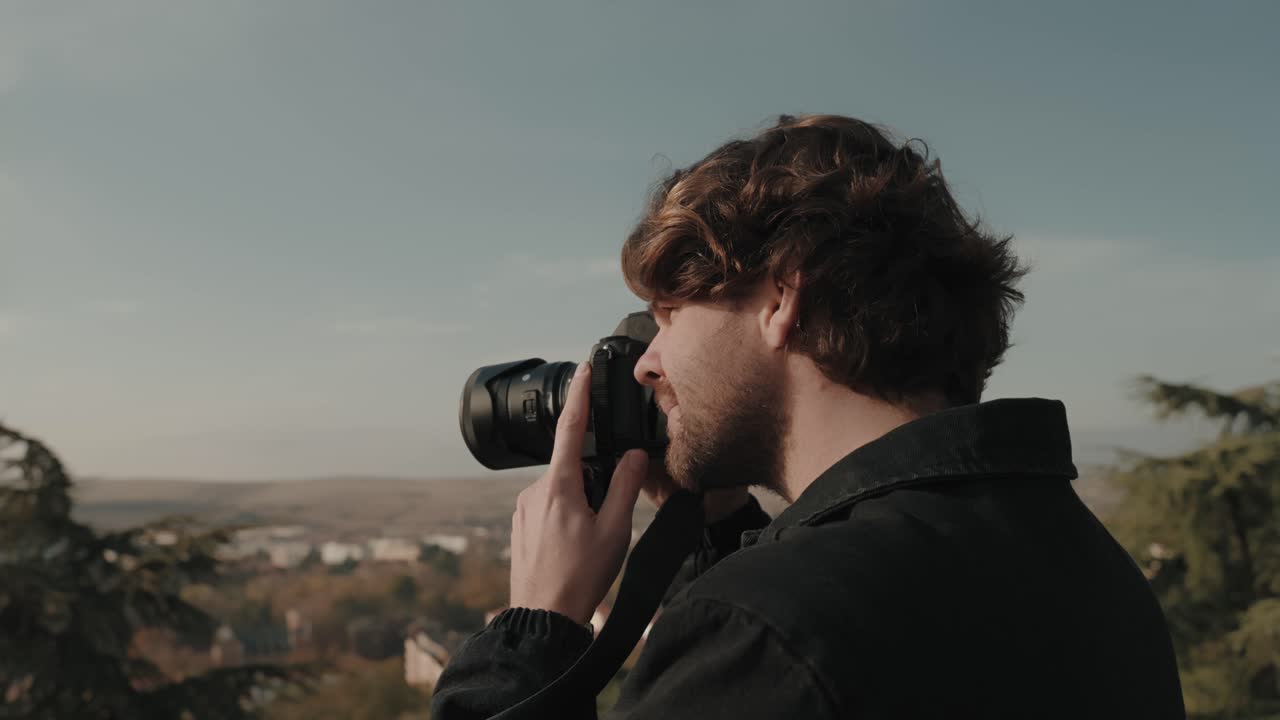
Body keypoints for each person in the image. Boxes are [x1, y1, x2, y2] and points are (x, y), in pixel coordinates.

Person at [431, 114, 1186, 719]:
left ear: (781, 299)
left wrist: (533, 633)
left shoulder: (765, 632)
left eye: (668, 315)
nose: (646, 362)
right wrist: (718, 531)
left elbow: (802, 642)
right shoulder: (1085, 568)